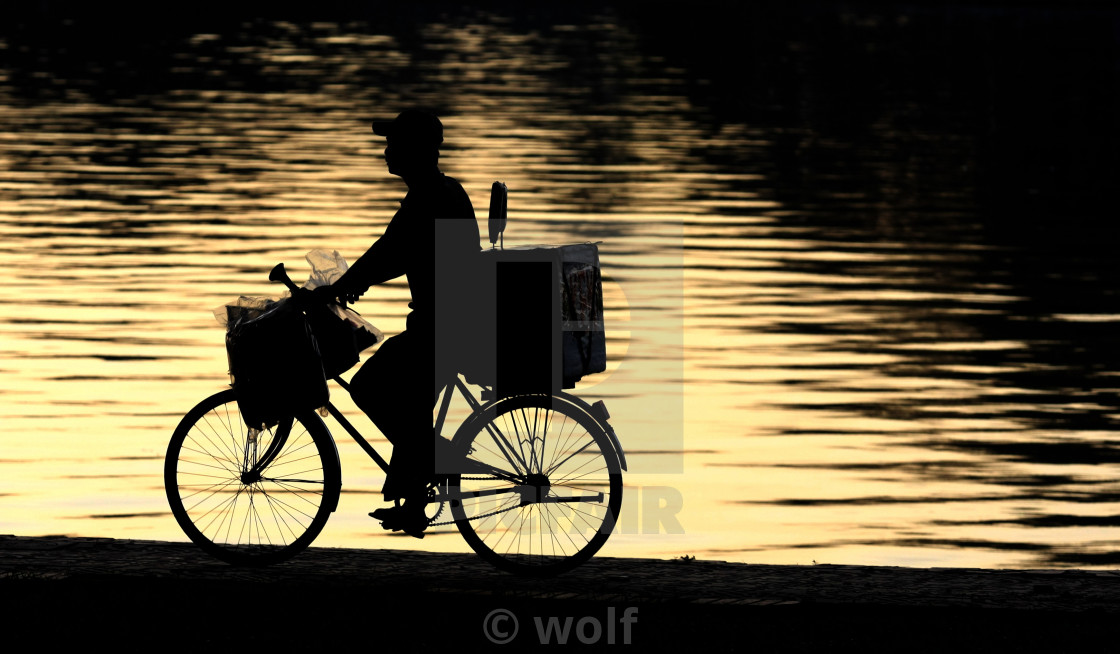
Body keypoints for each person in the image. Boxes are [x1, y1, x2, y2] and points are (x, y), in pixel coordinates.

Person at [310, 109, 479, 538]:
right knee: (410, 402)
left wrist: (342, 288)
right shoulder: (437, 192)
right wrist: (351, 284)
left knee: (370, 386)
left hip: (445, 330)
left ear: (415, 151)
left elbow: (391, 251)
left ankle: (433, 462)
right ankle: (417, 496)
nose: (386, 152)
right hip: (447, 325)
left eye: (393, 145)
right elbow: (394, 252)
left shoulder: (430, 198)